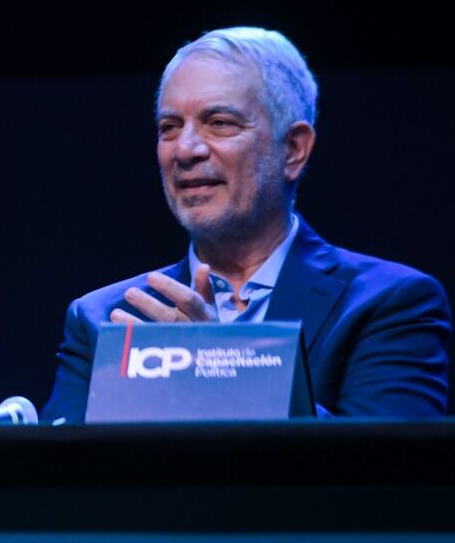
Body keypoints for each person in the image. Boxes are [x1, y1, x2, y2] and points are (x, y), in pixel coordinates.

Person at [45, 27, 450, 423]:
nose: (185, 150)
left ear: (293, 150)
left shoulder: (389, 304)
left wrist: (219, 369)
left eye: (219, 122)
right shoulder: (102, 319)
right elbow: (59, 483)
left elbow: (384, 476)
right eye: (169, 127)